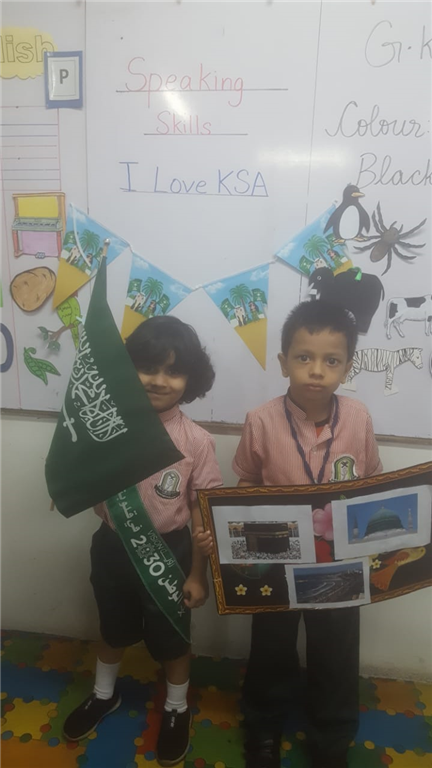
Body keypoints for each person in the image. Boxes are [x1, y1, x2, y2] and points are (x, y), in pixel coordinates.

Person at [197, 301, 382, 768]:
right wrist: (229, 536)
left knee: (336, 651)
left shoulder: (358, 417)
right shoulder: (261, 419)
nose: (316, 370)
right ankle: (263, 727)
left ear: (347, 366)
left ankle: (331, 739)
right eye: (304, 357)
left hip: (338, 563)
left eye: (331, 360)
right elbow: (246, 485)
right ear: (284, 362)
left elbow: (371, 484)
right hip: (275, 558)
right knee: (271, 647)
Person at [63, 316, 222, 767]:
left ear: (191, 379)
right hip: (112, 548)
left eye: (173, 371)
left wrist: (198, 575)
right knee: (112, 628)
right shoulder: (107, 426)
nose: (158, 380)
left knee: (173, 638)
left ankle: (176, 708)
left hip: (169, 553)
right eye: (147, 367)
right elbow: (80, 472)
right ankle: (103, 694)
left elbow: (201, 511)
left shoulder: (197, 441)